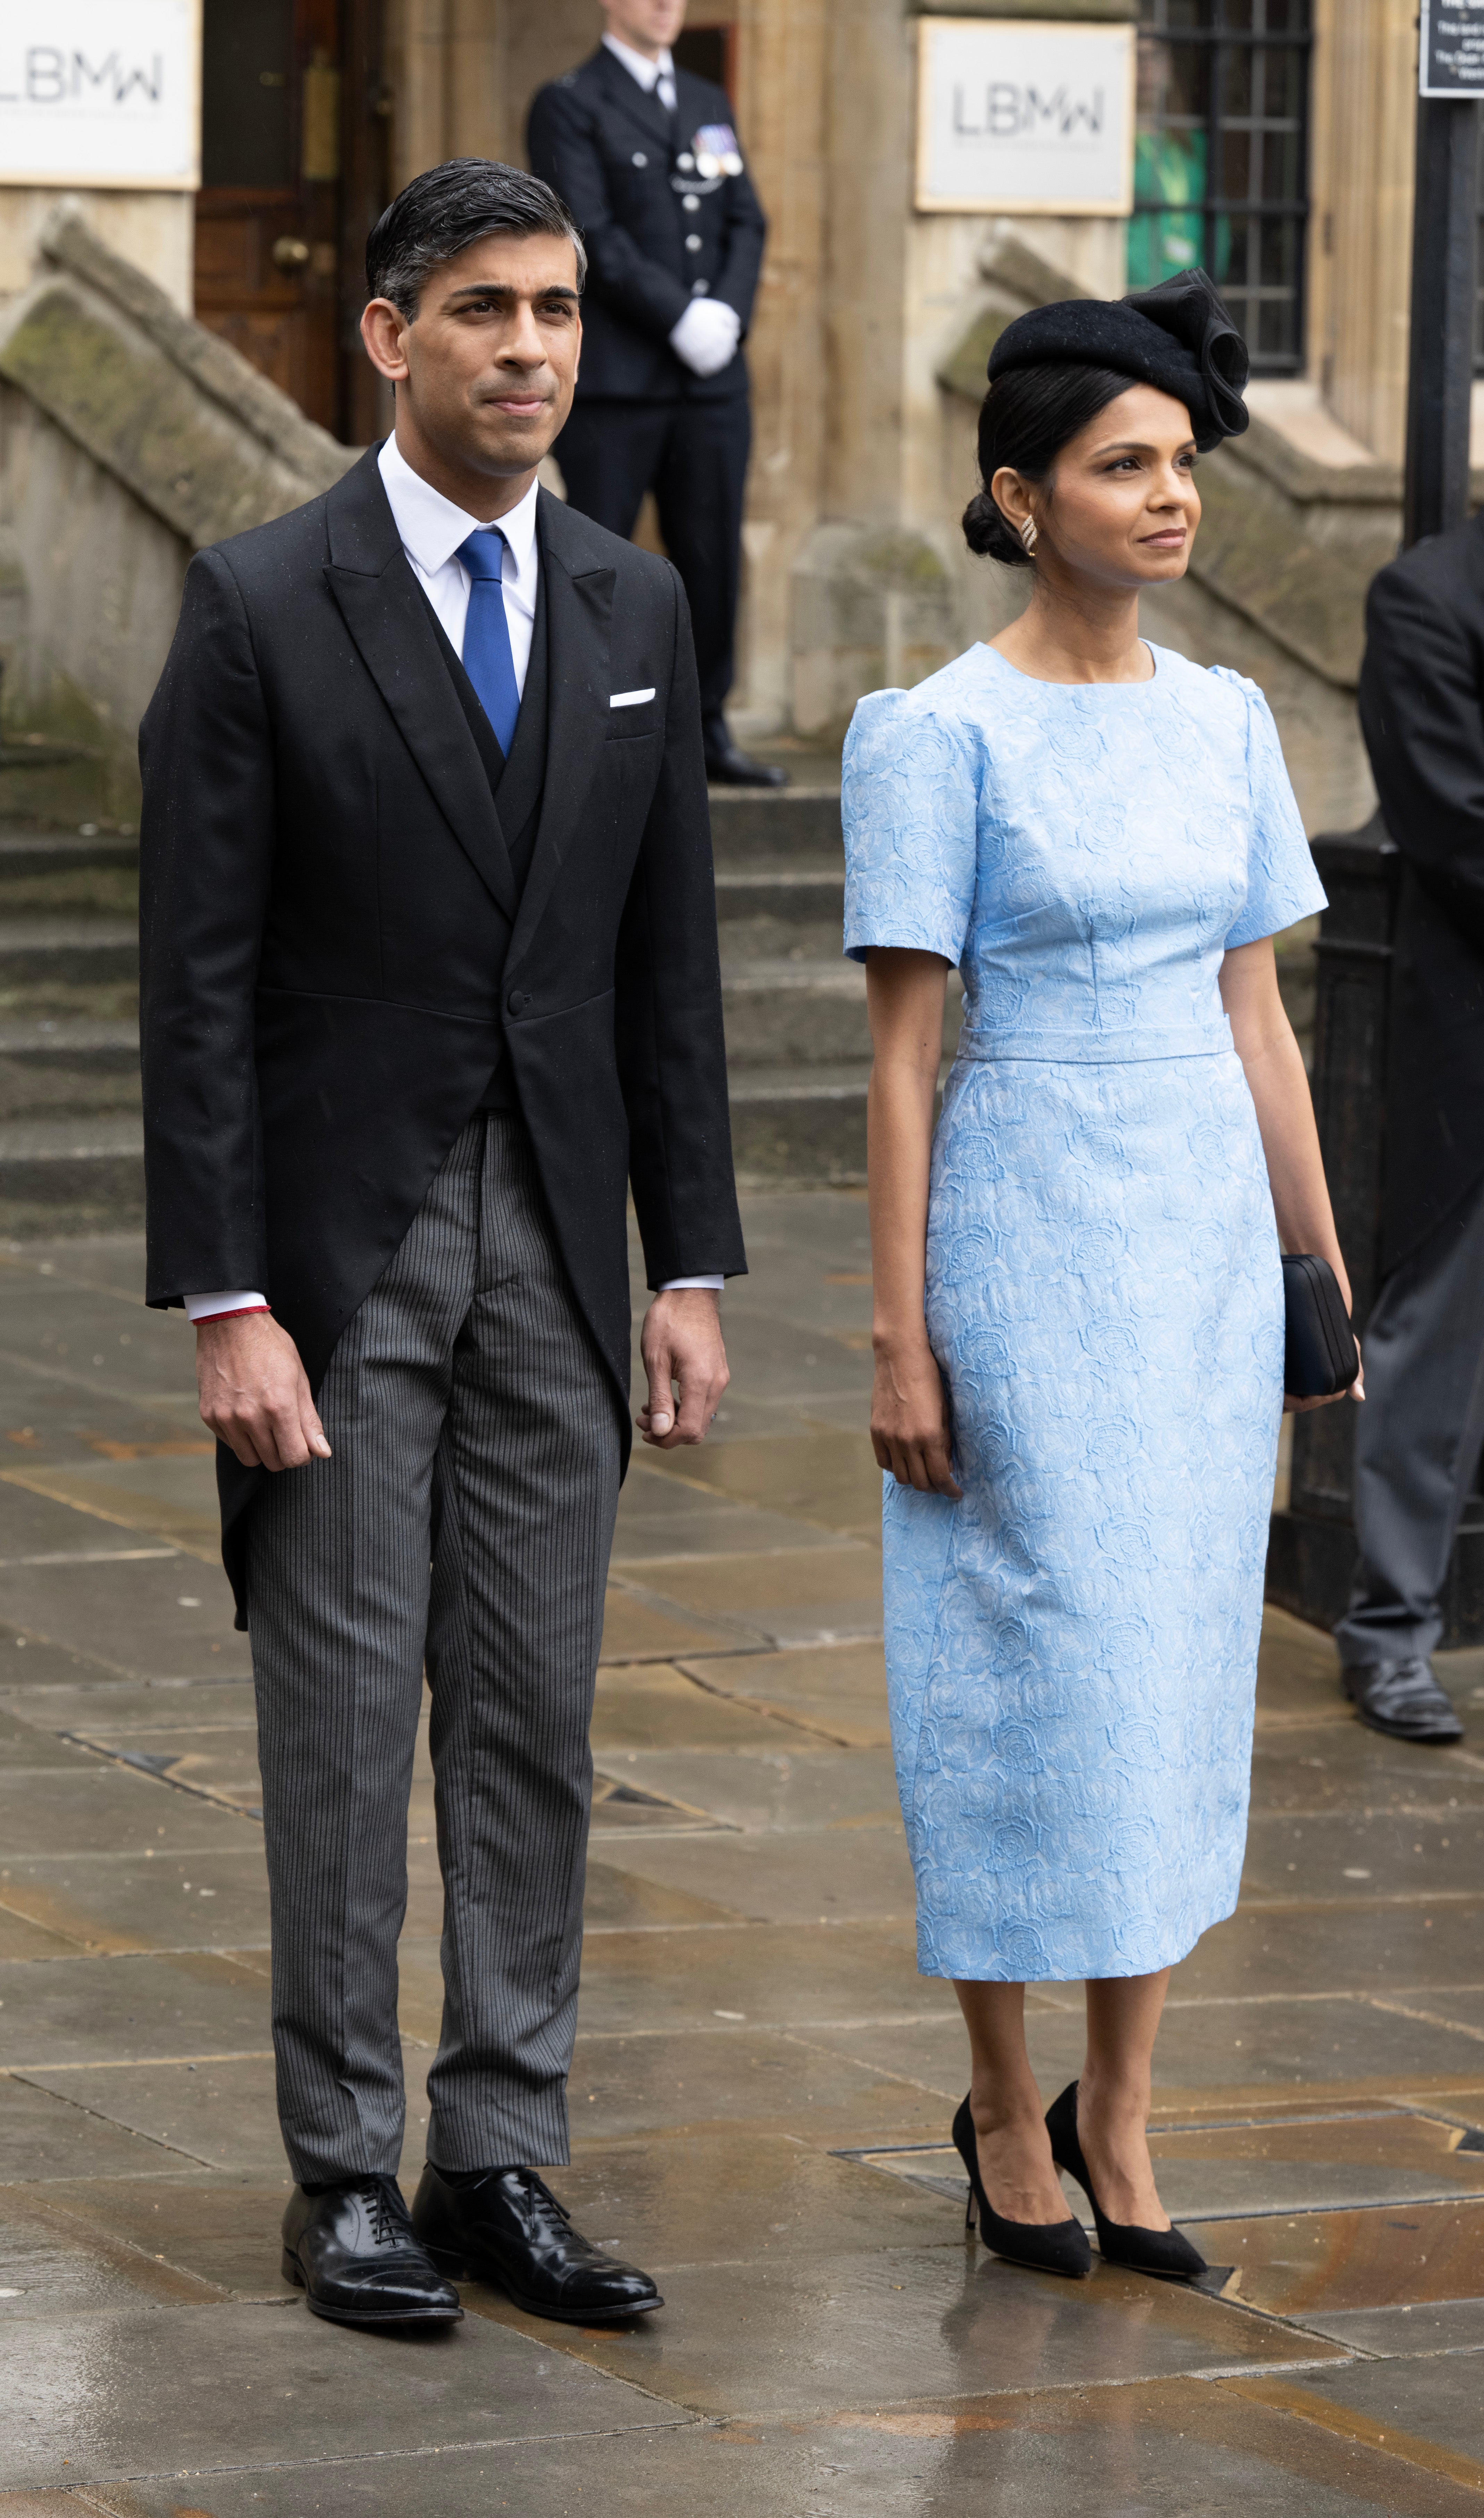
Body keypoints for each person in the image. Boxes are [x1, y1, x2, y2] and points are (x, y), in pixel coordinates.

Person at [137, 159, 745, 2331]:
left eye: (561, 309)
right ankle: (342, 2168)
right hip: (333, 1256)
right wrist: (226, 1298)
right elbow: (195, 979)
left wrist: (686, 1264)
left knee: (537, 1718)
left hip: (562, 1265)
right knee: (338, 1713)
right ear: (387, 335)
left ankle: (497, 2147)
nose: (533, 348)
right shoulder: (258, 600)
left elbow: (659, 966)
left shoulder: (633, 609)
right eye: (485, 307)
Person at [843, 272, 1359, 2279]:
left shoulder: (1229, 722)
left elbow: (1263, 1024)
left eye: (1178, 465)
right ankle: (995, 2099)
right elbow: (900, 1060)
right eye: (1120, 466)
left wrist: (1314, 1269)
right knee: (1017, 1663)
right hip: (1020, 1227)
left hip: (1198, 1251)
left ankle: (1123, 2113)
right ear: (1018, 494)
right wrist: (899, 1334)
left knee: (1165, 1673)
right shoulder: (934, 734)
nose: (1168, 498)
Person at [527, 0, 783, 789]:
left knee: (710, 559)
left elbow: (748, 219)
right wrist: (677, 316)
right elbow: (586, 235)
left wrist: (725, 316)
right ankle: (585, 732)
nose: (666, 4)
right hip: (619, 381)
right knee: (593, 563)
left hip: (710, 380)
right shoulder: (570, 102)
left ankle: (705, 728)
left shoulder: (707, 102)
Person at [1331, 526, 1484, 1743]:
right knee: (1436, 1339)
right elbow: (1449, 819)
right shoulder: (1427, 597)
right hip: (1473, 1031)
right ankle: (1389, 1633)